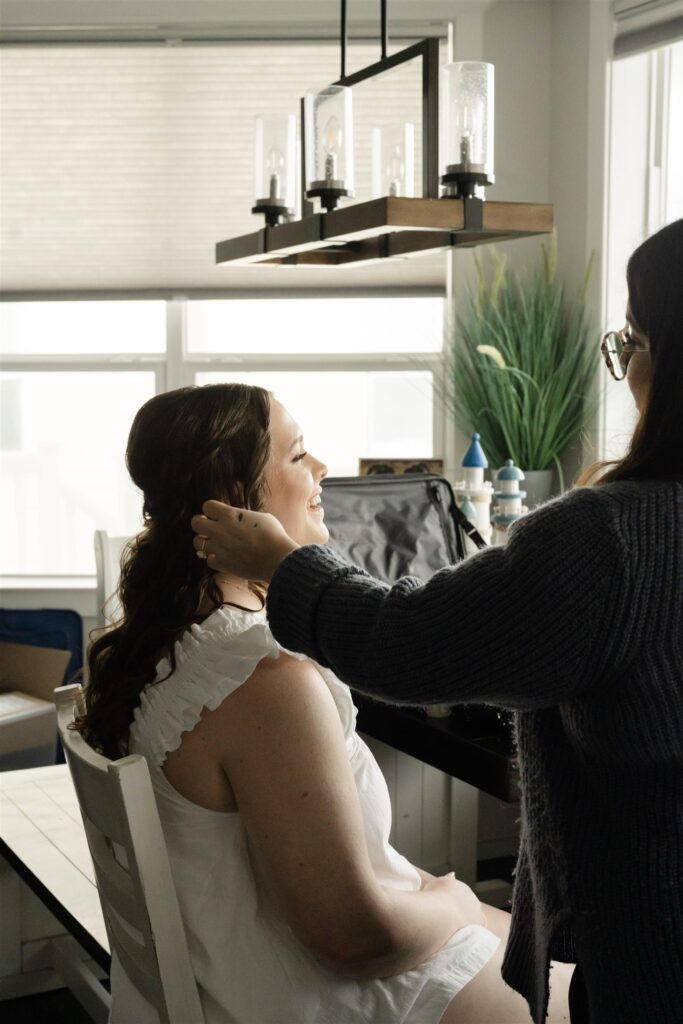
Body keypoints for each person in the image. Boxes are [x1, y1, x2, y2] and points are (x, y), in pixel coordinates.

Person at [191, 219, 683, 1024]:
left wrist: (285, 566)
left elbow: (404, 643)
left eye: (630, 342)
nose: (625, 364)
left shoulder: (615, 540)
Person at [79, 383, 573, 1024]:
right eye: (297, 455)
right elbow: (357, 939)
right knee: (602, 990)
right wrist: (454, 903)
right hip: (316, 996)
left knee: (544, 949)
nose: (321, 468)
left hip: (250, 976)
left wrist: (447, 903)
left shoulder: (157, 645)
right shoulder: (265, 680)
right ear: (232, 498)